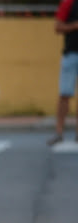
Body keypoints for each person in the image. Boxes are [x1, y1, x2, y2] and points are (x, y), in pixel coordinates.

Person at [47, 0, 78, 145]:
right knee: (64, 94)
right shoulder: (68, 2)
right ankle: (59, 133)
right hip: (71, 54)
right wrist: (75, 25)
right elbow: (57, 27)